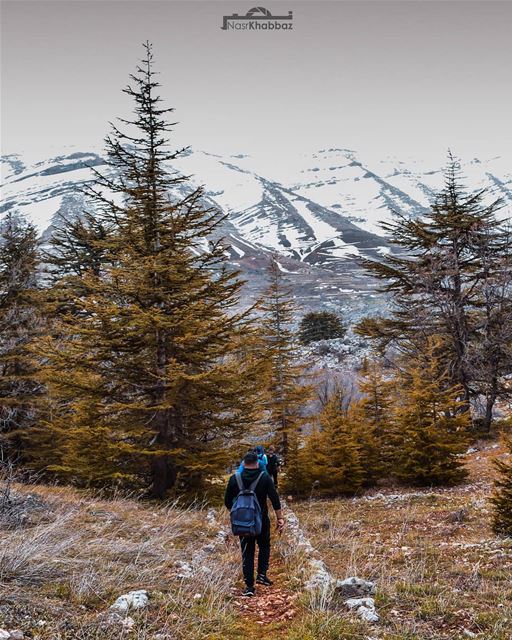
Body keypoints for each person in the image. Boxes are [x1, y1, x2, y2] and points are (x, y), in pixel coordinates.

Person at [225, 450, 285, 597]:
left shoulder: (235, 478)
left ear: (244, 463)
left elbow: (227, 501)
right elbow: (274, 498)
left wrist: (238, 512)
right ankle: (262, 575)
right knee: (264, 545)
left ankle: (249, 586)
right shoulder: (264, 477)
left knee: (247, 551)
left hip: (242, 522)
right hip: (261, 519)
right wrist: (280, 518)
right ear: (257, 463)